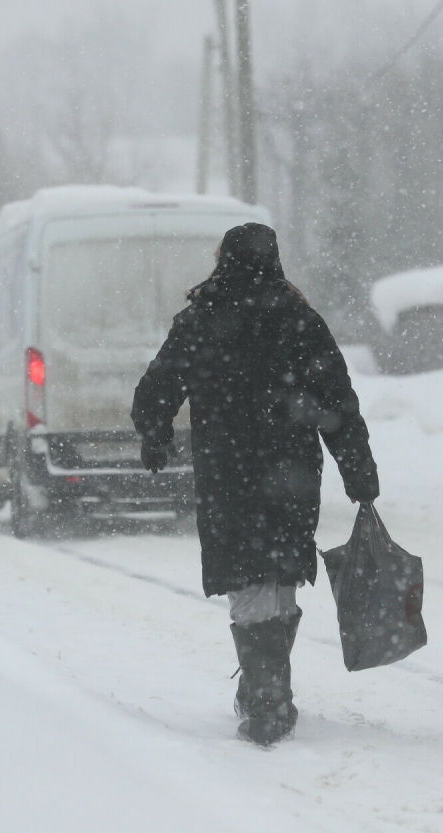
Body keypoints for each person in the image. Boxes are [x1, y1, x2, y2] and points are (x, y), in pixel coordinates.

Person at [132, 222, 378, 747]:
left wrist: (154, 434)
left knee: (245, 574)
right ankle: (269, 689)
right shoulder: (299, 320)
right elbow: (339, 403)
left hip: (227, 472)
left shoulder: (200, 319)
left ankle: (264, 694)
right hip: (290, 471)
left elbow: (158, 384)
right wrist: (359, 474)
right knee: (281, 568)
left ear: (224, 260)